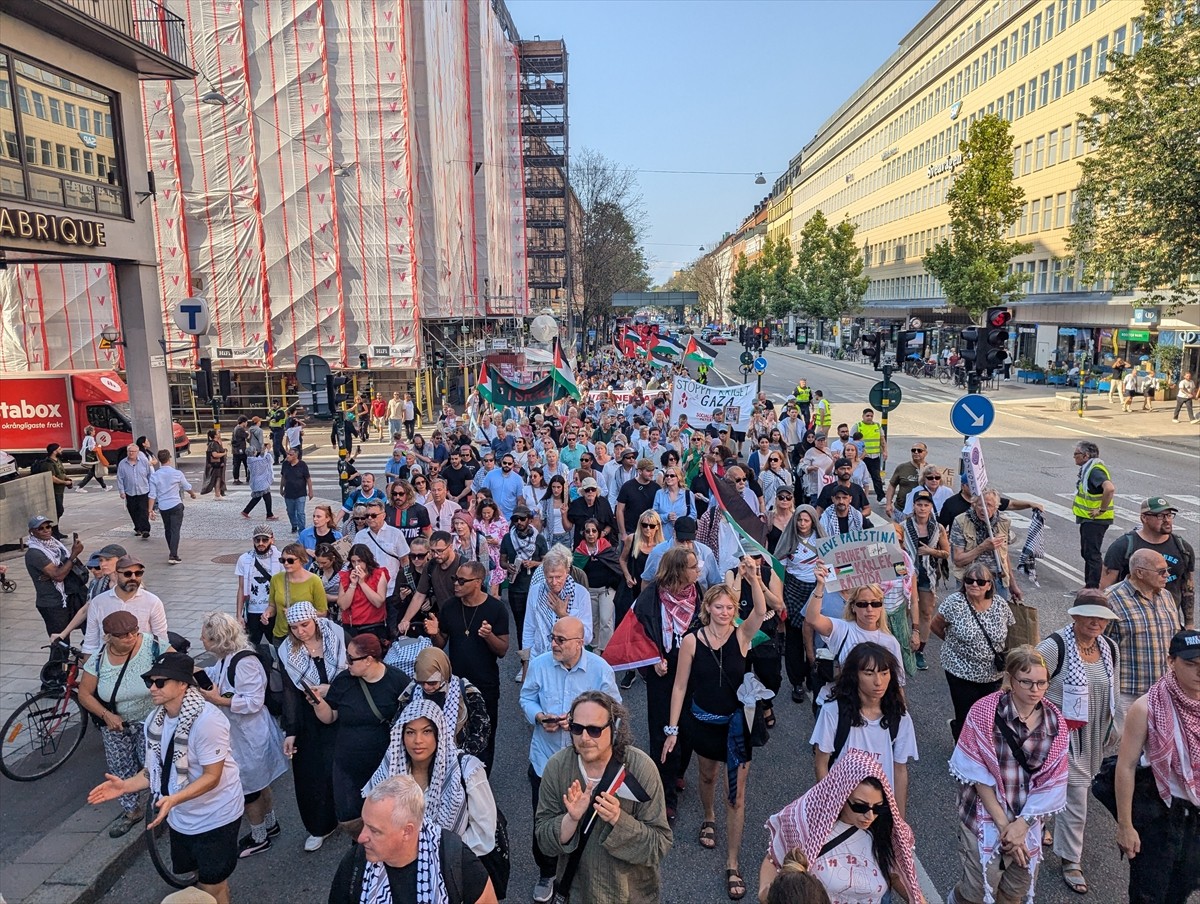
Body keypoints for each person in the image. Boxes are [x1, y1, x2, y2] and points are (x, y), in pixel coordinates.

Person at [87, 651, 244, 904]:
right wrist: (126, 786)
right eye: (150, 681)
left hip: (216, 816)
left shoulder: (207, 721)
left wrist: (174, 799)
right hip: (182, 817)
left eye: (161, 682)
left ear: (182, 684)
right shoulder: (154, 720)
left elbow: (212, 777)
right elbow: (154, 770)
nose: (152, 688)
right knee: (198, 879)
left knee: (213, 886)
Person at [663, 573, 768, 901]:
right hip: (703, 723)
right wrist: (672, 729)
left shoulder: (742, 636)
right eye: (718, 606)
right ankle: (708, 817)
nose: (724, 612)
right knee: (707, 777)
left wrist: (754, 578)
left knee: (735, 796)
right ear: (706, 607)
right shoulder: (692, 640)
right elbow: (680, 686)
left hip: (736, 728)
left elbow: (761, 612)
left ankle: (732, 862)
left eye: (729, 607)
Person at [949, 647, 1070, 904]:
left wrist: (1021, 826)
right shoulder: (984, 712)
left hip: (1027, 820)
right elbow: (978, 774)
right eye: (1026, 682)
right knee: (978, 892)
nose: (1035, 689)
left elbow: (1052, 782)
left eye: (1041, 682)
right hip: (985, 818)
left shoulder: (1055, 722)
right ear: (1011, 680)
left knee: (1014, 892)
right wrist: (1006, 827)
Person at [534, 691, 672, 904]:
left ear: (615, 728)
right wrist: (570, 820)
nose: (585, 738)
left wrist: (619, 819)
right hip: (579, 893)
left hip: (631, 896)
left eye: (595, 730)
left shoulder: (641, 768)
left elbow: (659, 845)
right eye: (577, 728)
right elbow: (544, 842)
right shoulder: (557, 767)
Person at [520, 616, 621, 901]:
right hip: (545, 761)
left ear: (580, 643)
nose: (553, 643)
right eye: (553, 637)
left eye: (560, 640)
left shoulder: (600, 670)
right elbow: (526, 698)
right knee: (545, 822)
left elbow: (616, 714)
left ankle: (576, 874)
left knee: (582, 821)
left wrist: (584, 728)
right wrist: (539, 717)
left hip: (586, 765)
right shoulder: (539, 664)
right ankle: (547, 873)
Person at [1035, 590, 1120, 893]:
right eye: (1090, 615)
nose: (1097, 622)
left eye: (1102, 618)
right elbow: (1026, 683)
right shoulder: (1053, 646)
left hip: (1093, 736)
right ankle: (1071, 859)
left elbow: (1113, 688)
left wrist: (1114, 726)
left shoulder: (1109, 647)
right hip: (1059, 737)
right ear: (1074, 616)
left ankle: (1039, 824)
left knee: (1052, 790)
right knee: (1076, 796)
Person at [760, 750, 921, 904]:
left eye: (878, 807)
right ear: (841, 795)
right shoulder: (808, 825)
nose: (870, 816)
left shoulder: (886, 833)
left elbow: (897, 875)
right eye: (860, 806)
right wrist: (765, 894)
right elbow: (773, 860)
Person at [1113, 629, 1200, 904]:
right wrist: (1125, 826)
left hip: (1196, 818)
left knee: (1181, 890)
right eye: (1190, 664)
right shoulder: (1147, 708)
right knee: (1148, 894)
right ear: (1170, 661)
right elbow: (1125, 766)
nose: (1199, 672)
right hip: (1160, 814)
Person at [197, 612, 288, 859]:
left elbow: (252, 702)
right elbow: (217, 677)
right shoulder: (228, 658)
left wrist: (218, 699)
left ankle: (260, 837)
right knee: (260, 783)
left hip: (249, 737)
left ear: (217, 639)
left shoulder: (245, 662)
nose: (201, 640)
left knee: (250, 791)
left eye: (204, 637)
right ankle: (270, 824)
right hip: (244, 735)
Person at [328, 774, 497, 904]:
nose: (362, 837)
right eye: (364, 824)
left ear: (407, 831)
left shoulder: (455, 860)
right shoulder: (355, 863)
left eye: (375, 831)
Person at [365, 700, 497, 860]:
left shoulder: (467, 770)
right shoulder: (391, 769)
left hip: (452, 863)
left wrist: (436, 854)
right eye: (410, 732)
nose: (417, 740)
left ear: (438, 734)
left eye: (426, 731)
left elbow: (483, 832)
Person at [310, 633, 409, 834]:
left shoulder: (398, 681)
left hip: (384, 764)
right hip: (347, 764)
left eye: (351, 659)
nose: (347, 664)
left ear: (369, 660)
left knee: (386, 820)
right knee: (351, 820)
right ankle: (361, 854)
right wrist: (318, 704)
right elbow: (330, 717)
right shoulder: (344, 680)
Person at [634, 545, 704, 822]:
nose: (699, 570)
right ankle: (665, 795)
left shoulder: (700, 596)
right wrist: (651, 660)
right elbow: (637, 634)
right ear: (678, 571)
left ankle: (677, 772)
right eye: (693, 567)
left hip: (691, 671)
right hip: (661, 672)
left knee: (688, 727)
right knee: (662, 730)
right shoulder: (651, 597)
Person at [77, 610, 160, 837]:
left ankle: (163, 805)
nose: (130, 637)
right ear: (109, 637)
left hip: (151, 719)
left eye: (134, 631)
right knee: (120, 768)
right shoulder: (98, 660)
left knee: (152, 765)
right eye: (123, 635)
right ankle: (132, 811)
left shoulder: (153, 646)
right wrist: (106, 715)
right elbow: (84, 694)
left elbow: (179, 666)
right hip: (116, 724)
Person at [811, 643, 917, 816]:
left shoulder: (899, 717)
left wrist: (900, 821)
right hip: (842, 805)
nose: (878, 682)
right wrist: (828, 810)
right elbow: (821, 763)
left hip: (880, 807)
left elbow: (900, 770)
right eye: (869, 673)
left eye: (884, 673)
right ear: (854, 676)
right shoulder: (834, 711)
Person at [426, 560, 510, 771]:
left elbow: (502, 650)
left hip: (485, 685)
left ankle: (482, 780)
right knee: (455, 732)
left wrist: (489, 636)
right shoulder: (449, 607)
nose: (456, 584)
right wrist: (434, 632)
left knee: (484, 734)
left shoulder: (496, 608)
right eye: (455, 579)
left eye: (462, 581)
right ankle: (458, 779)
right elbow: (441, 643)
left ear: (478, 582)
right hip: (456, 685)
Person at [280, 601, 346, 851]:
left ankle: (352, 816)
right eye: (294, 627)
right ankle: (319, 826)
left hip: (342, 708)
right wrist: (291, 731)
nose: (300, 631)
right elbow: (289, 693)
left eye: (304, 625)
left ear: (315, 621)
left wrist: (333, 689)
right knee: (311, 774)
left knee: (344, 767)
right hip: (309, 719)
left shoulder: (337, 636)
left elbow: (355, 670)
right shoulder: (287, 650)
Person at [933, 561, 1014, 741]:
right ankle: (962, 745)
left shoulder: (1000, 605)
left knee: (987, 715)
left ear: (989, 585)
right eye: (969, 581)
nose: (974, 585)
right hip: (960, 672)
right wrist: (954, 645)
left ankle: (979, 747)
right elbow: (936, 626)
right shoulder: (954, 603)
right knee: (965, 714)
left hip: (993, 674)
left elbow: (1010, 632)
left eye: (980, 582)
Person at [805, 573, 906, 708]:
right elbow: (812, 619)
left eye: (875, 603)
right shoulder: (842, 629)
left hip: (873, 710)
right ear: (853, 607)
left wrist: (901, 712)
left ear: (882, 607)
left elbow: (897, 684)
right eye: (862, 604)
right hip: (841, 706)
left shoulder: (890, 642)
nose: (869, 609)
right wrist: (820, 586)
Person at [1105, 548, 1182, 725]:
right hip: (1127, 694)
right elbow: (1098, 647)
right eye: (1161, 571)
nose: (1167, 575)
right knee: (1125, 748)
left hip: (1164, 690)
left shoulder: (1166, 596)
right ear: (1139, 573)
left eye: (1167, 569)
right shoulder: (1110, 599)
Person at [1101, 496, 1195, 628]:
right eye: (1160, 516)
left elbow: (1187, 587)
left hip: (1169, 622)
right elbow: (1105, 589)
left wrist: (1189, 623)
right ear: (1144, 518)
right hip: (1131, 622)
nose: (1167, 520)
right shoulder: (1123, 546)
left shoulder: (1183, 548)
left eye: (1169, 515)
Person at [396, 647, 492, 759]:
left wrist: (463, 755)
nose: (426, 687)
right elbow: (398, 725)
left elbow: (482, 728)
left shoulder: (467, 692)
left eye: (432, 682)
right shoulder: (411, 692)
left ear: (444, 673)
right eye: (421, 682)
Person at [901, 489, 951, 671]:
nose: (922, 508)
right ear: (913, 506)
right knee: (904, 611)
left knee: (926, 613)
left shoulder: (938, 528)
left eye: (926, 505)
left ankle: (919, 650)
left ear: (931, 507)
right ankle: (904, 644)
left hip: (927, 574)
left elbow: (946, 552)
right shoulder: (903, 526)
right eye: (919, 504)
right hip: (906, 573)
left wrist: (931, 551)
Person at [950, 488, 1023, 603]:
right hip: (971, 582)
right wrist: (982, 547)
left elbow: (1004, 555)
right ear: (974, 505)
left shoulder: (1003, 522)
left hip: (997, 581)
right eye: (980, 505)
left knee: (997, 619)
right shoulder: (961, 522)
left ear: (996, 507)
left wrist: (1012, 584)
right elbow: (958, 560)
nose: (984, 509)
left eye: (989, 505)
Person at [24, 514, 87, 645]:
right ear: (32, 532)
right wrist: (73, 556)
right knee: (60, 642)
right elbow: (58, 576)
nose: (46, 530)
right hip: (52, 603)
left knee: (88, 628)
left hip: (68, 596)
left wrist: (60, 568)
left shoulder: (56, 545)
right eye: (40, 528)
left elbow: (58, 572)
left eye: (48, 526)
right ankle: (57, 665)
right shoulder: (35, 553)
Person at [500, 507, 548, 670]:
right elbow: (502, 561)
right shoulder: (508, 538)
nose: (519, 522)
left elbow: (546, 562)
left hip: (535, 587)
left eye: (522, 519)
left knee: (538, 623)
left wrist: (534, 563)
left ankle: (540, 659)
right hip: (516, 589)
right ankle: (524, 663)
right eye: (515, 520)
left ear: (529, 519)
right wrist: (509, 566)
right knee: (521, 625)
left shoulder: (539, 539)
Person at [574, 520, 623, 654]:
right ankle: (594, 647)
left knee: (605, 619)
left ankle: (605, 649)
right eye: (588, 531)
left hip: (606, 590)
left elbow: (616, 568)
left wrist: (613, 583)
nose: (591, 534)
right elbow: (575, 574)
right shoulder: (579, 552)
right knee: (593, 620)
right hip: (588, 591)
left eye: (594, 531)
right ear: (583, 533)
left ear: (599, 533)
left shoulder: (607, 549)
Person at [1072, 441, 1116, 589]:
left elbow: (1109, 488)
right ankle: (1089, 586)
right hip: (1089, 519)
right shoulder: (1089, 469)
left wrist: (1101, 510)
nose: (1074, 457)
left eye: (1076, 454)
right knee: (1087, 553)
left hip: (1095, 520)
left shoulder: (1095, 471)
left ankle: (1092, 588)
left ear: (1086, 455)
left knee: (1092, 554)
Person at [264, 544, 328, 643]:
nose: (286, 563)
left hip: (304, 636)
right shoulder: (276, 579)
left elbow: (322, 612)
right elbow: (272, 605)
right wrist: (267, 614)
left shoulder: (314, 581)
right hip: (281, 634)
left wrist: (296, 613)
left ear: (302, 560)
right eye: (282, 560)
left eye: (290, 560)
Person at [354, 498, 411, 599]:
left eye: (374, 515)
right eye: (367, 516)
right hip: (368, 590)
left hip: (392, 589)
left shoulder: (396, 534)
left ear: (383, 515)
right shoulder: (360, 536)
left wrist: (405, 582)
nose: (370, 518)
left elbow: (404, 560)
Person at [149, 449, 197, 565]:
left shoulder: (154, 476)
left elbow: (152, 495)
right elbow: (186, 486)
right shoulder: (177, 473)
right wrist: (192, 494)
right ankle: (173, 554)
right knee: (175, 530)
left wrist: (150, 510)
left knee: (168, 529)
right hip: (176, 504)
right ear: (169, 459)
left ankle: (172, 550)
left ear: (159, 460)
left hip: (163, 506)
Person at [235, 526, 282, 646]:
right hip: (252, 610)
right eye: (257, 540)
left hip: (273, 610)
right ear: (253, 541)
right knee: (251, 646)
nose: (261, 543)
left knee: (277, 645)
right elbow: (241, 588)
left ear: (272, 540)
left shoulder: (281, 558)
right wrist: (239, 615)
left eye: (265, 540)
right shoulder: (244, 559)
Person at [337, 543, 391, 643]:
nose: (357, 565)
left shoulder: (378, 574)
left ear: (367, 560)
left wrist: (362, 583)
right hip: (351, 626)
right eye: (353, 562)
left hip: (373, 625)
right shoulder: (345, 576)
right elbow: (343, 605)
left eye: (360, 561)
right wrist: (352, 584)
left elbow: (378, 602)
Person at [117, 443, 154, 539]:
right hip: (130, 491)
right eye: (129, 451)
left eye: (133, 451)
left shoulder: (144, 462)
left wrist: (151, 487)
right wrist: (121, 491)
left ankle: (145, 529)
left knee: (143, 510)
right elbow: (120, 478)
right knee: (133, 510)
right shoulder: (122, 464)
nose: (131, 453)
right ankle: (138, 527)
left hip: (143, 490)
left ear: (138, 452)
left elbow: (150, 475)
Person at [884, 441, 928, 521]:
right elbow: (892, 486)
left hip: (922, 513)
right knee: (899, 533)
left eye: (919, 450)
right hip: (901, 510)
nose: (916, 452)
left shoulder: (930, 470)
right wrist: (888, 504)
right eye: (913, 450)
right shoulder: (902, 468)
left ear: (926, 453)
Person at [852, 409, 885, 501]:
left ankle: (881, 497)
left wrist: (885, 451)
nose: (869, 417)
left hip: (874, 456)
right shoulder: (857, 426)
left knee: (877, 477)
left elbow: (882, 440)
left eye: (871, 416)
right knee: (861, 478)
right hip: (862, 457)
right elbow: (851, 441)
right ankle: (860, 496)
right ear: (863, 416)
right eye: (867, 416)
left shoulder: (877, 426)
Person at [279, 446, 314, 534]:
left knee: (300, 512)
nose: (288, 456)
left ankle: (302, 529)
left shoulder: (302, 465)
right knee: (290, 511)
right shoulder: (285, 465)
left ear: (295, 456)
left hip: (300, 493)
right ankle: (294, 525)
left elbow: (308, 479)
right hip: (289, 492)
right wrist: (281, 488)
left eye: (290, 455)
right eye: (287, 454)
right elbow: (283, 477)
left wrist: (310, 491)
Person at [76, 424, 109, 491]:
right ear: (91, 432)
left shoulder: (86, 438)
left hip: (88, 457)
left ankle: (104, 486)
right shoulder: (91, 438)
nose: (94, 432)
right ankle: (80, 487)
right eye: (94, 431)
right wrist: (99, 446)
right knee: (93, 473)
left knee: (93, 472)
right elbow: (92, 448)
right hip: (92, 458)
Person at [231, 416, 249, 485]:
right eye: (246, 422)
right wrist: (248, 433)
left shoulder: (236, 428)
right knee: (243, 464)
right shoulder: (239, 429)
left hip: (237, 450)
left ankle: (237, 479)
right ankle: (238, 479)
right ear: (243, 422)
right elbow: (246, 436)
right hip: (240, 450)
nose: (246, 424)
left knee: (237, 465)